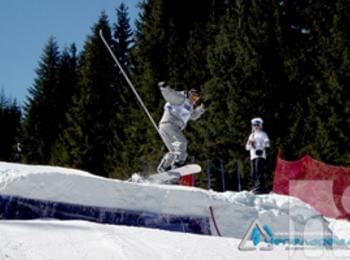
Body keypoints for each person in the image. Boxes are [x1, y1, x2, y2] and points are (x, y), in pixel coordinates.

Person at [157, 81, 206, 173]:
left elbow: (193, 116)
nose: (194, 100)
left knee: (174, 150)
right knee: (182, 143)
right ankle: (178, 164)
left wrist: (202, 108)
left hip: (167, 127)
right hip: (170, 124)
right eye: (193, 96)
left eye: (196, 98)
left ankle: (164, 167)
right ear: (189, 94)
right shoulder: (181, 99)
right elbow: (171, 95)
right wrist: (164, 88)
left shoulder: (189, 107)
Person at [245, 117, 270, 194]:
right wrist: (250, 143)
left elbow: (267, 144)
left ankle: (260, 187)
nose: (256, 126)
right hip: (253, 156)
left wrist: (262, 146)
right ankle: (257, 186)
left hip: (260, 155)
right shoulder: (251, 135)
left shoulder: (263, 134)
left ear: (260, 125)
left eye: (257, 125)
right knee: (253, 172)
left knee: (259, 171)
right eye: (254, 125)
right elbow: (247, 148)